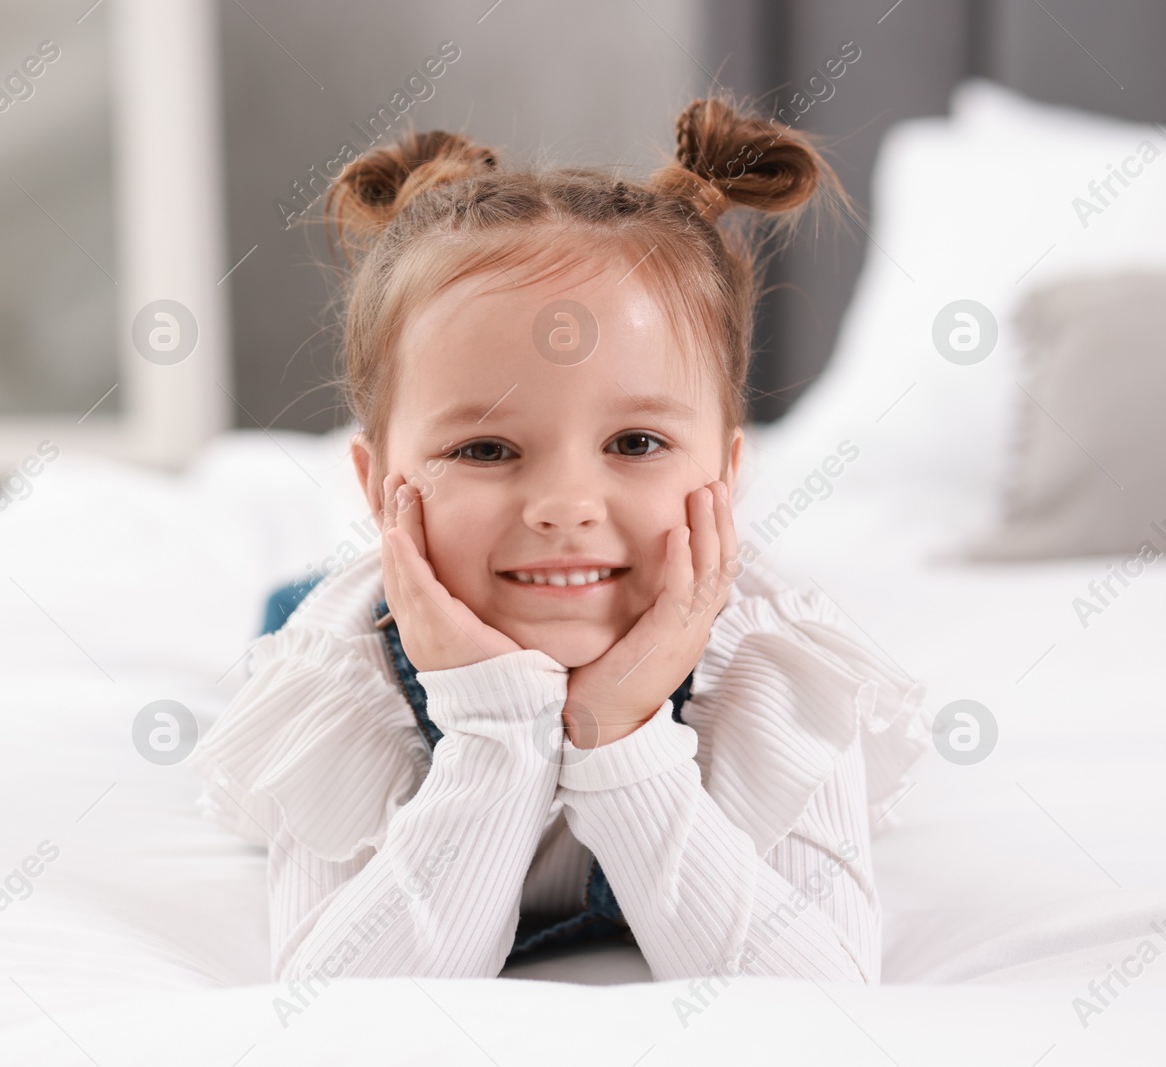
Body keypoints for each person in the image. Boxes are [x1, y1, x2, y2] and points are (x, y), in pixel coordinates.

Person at [187, 97, 929, 987]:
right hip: (379, 614)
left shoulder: (772, 670)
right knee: (281, 621)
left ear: (727, 476)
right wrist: (496, 725)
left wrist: (617, 735)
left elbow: (821, 1002)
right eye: (487, 448)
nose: (567, 505)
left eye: (636, 443)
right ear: (379, 485)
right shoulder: (345, 678)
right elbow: (341, 1007)